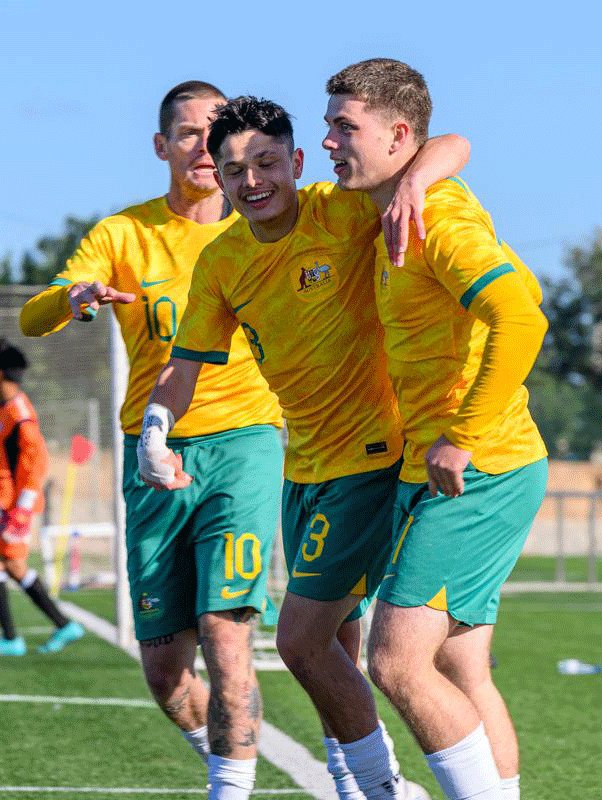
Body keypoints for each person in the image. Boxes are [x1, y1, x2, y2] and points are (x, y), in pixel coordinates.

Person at [137, 96, 469, 800]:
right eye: (234, 170)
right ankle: (358, 783)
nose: (252, 181)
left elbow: (452, 146)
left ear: (294, 162)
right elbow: (186, 364)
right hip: (305, 468)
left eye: (266, 163)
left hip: (373, 462)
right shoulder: (224, 260)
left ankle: (385, 789)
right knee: (336, 647)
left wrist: (412, 182)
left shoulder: (341, 210)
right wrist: (154, 429)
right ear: (218, 180)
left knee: (301, 643)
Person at [20, 81, 286, 799]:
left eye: (218, 131)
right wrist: (73, 298)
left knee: (227, 632)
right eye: (190, 133)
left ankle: (232, 788)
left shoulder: (263, 226)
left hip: (243, 442)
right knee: (165, 670)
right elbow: (38, 315)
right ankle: (227, 761)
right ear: (161, 145)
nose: (206, 146)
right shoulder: (124, 235)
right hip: (152, 453)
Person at [323, 58, 549, 800]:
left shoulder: (439, 219)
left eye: (342, 126)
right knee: (458, 669)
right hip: (447, 468)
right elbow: (453, 140)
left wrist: (464, 434)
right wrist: (419, 175)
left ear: (394, 136)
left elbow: (521, 318)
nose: (328, 141)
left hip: (478, 468)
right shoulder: (388, 197)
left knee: (396, 663)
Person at [0, 339, 85, 655]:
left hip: (12, 505)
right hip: (6, 501)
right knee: (11, 566)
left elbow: (36, 463)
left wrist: (21, 512)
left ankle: (24, 635)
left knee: (14, 565)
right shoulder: (7, 408)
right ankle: (18, 636)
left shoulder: (21, 416)